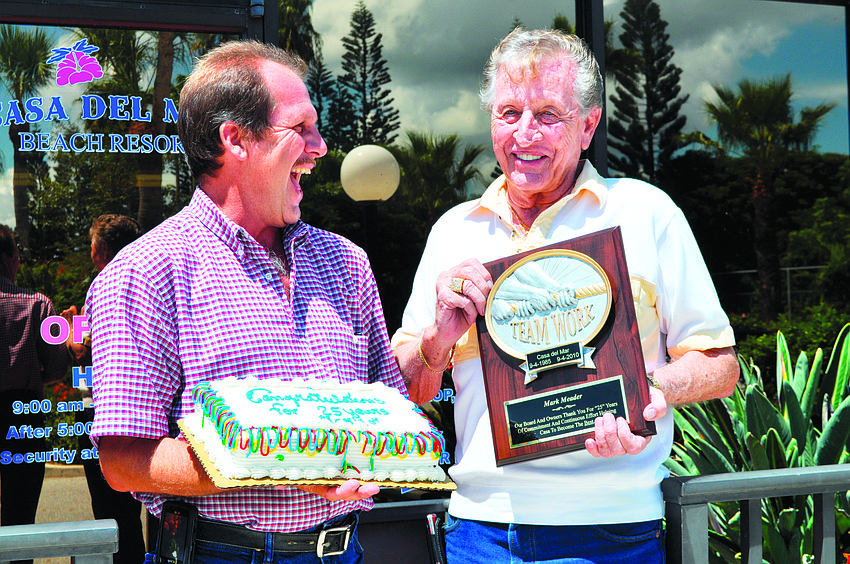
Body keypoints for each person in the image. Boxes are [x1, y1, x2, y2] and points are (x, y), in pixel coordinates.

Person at [391, 29, 739, 563]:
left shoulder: (646, 212)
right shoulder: (453, 231)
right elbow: (409, 389)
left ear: (588, 126)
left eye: (548, 114)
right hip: (479, 532)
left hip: (612, 532)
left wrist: (650, 391)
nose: (524, 133)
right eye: (509, 113)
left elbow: (720, 364)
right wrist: (438, 337)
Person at [85, 40, 404, 564]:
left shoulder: (346, 261)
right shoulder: (147, 271)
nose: (320, 147)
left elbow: (391, 415)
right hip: (218, 553)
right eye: (300, 127)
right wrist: (284, 464)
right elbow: (123, 461)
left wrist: (433, 352)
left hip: (343, 550)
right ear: (235, 139)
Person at [61, 214, 145, 564]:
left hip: (104, 412)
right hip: (145, 410)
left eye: (92, 245)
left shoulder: (105, 283)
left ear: (103, 249)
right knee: (138, 508)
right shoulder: (148, 278)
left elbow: (84, 351)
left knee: (111, 509)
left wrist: (71, 328)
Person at [0, 224, 68, 564]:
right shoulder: (38, 305)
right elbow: (58, 367)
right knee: (20, 521)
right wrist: (30, 375)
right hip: (22, 419)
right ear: (11, 259)